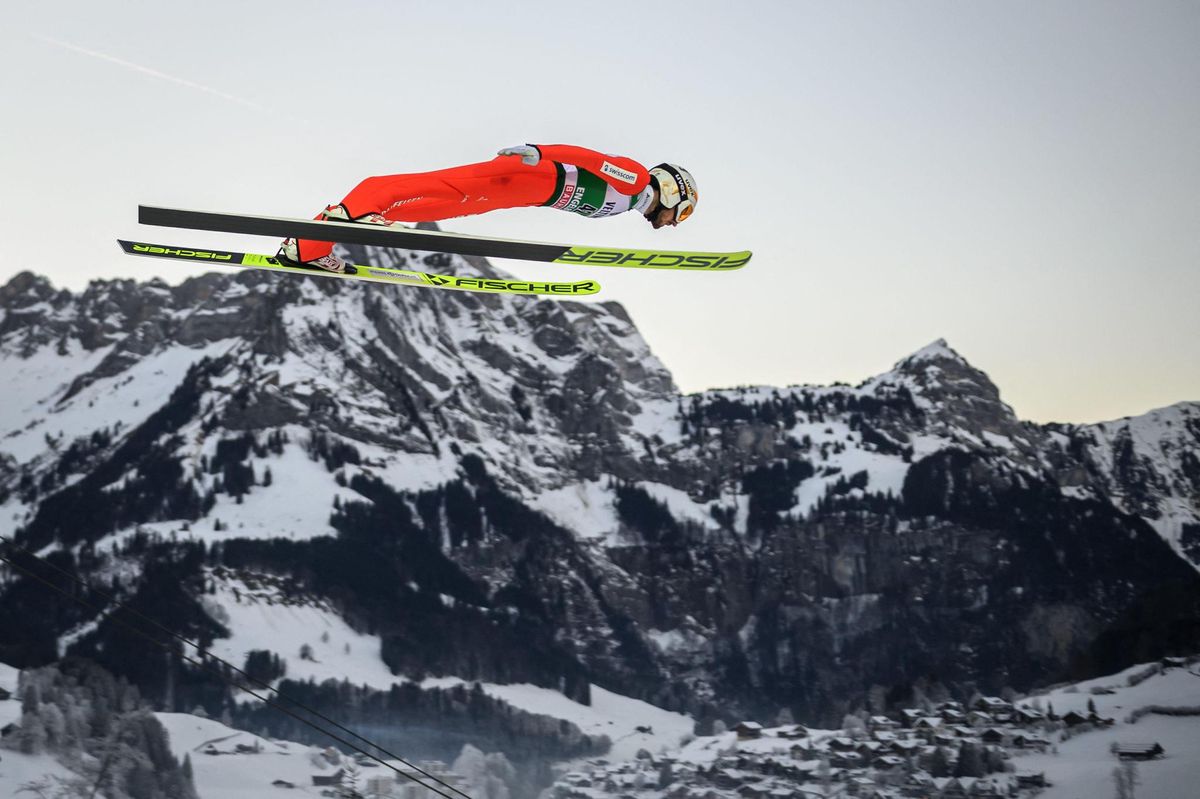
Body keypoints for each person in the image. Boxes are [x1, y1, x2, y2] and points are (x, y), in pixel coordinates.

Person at [277, 144, 699, 272]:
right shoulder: (638, 181)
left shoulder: (625, 205)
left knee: (424, 206)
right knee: (424, 187)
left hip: (524, 192)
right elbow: (586, 158)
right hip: (525, 176)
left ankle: (309, 247)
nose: (673, 224)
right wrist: (539, 151)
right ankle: (343, 222)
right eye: (680, 213)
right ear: (671, 189)